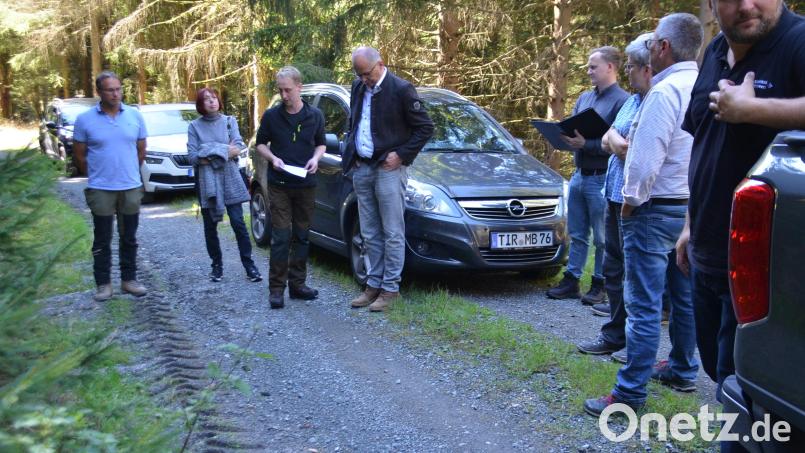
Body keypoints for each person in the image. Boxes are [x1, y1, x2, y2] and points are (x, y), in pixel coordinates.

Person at [677, 2, 805, 448]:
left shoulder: (798, 42)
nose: (747, 4)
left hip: (765, 268)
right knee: (718, 372)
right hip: (710, 249)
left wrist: (754, 110)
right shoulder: (713, 51)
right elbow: (704, 147)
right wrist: (690, 224)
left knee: (749, 394)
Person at [584, 12, 703, 416]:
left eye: (653, 43)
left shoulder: (664, 92)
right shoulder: (701, 84)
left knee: (644, 303)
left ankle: (630, 393)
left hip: (653, 209)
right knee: (682, 295)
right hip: (687, 208)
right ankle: (684, 368)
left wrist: (631, 205)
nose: (649, 51)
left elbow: (643, 159)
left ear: (664, 47)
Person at [576, 33, 653, 361]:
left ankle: (638, 349)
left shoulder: (654, 99)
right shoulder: (634, 100)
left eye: (633, 66)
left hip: (635, 201)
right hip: (612, 192)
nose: (629, 71)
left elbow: (634, 149)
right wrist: (612, 140)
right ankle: (614, 334)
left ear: (648, 68)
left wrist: (614, 142)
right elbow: (612, 138)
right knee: (614, 265)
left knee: (640, 277)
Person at [344, 46, 434, 312]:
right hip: (363, 168)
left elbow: (425, 128)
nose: (363, 79)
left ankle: (390, 289)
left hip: (388, 169)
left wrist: (401, 155)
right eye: (358, 74)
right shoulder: (358, 87)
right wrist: (354, 152)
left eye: (366, 74)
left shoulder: (401, 89)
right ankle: (373, 285)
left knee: (392, 231)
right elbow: (355, 123)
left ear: (380, 64)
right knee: (369, 231)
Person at [547, 46, 629, 305]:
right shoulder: (584, 98)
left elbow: (622, 145)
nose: (589, 71)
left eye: (593, 66)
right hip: (580, 175)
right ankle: (572, 279)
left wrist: (589, 145)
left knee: (603, 237)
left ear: (610, 67)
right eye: (588, 66)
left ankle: (600, 284)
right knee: (578, 232)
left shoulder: (622, 101)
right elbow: (575, 133)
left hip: (603, 176)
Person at [73, 71, 149, 301]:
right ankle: (103, 284)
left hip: (130, 186)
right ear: (99, 92)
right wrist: (97, 176)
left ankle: (129, 280)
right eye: (110, 90)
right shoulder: (85, 119)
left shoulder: (134, 116)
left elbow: (141, 149)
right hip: (101, 188)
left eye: (118, 89)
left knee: (129, 237)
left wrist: (129, 172)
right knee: (102, 238)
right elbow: (79, 155)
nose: (115, 94)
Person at [255, 66, 326, 309]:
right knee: (281, 236)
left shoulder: (315, 115)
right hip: (280, 185)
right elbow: (260, 144)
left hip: (306, 184)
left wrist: (316, 159)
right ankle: (276, 289)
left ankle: (298, 285)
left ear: (299, 88)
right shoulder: (272, 116)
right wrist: (273, 158)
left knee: (302, 236)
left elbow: (321, 144)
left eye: (288, 90)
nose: (284, 95)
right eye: (280, 90)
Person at [187, 87, 261, 284]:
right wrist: (222, 151)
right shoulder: (194, 126)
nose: (212, 102)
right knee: (210, 226)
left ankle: (249, 265)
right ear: (200, 105)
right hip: (206, 181)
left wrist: (208, 151)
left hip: (230, 178)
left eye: (214, 98)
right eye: (206, 99)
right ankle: (216, 266)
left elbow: (237, 148)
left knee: (238, 223)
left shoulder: (229, 121)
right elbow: (193, 157)